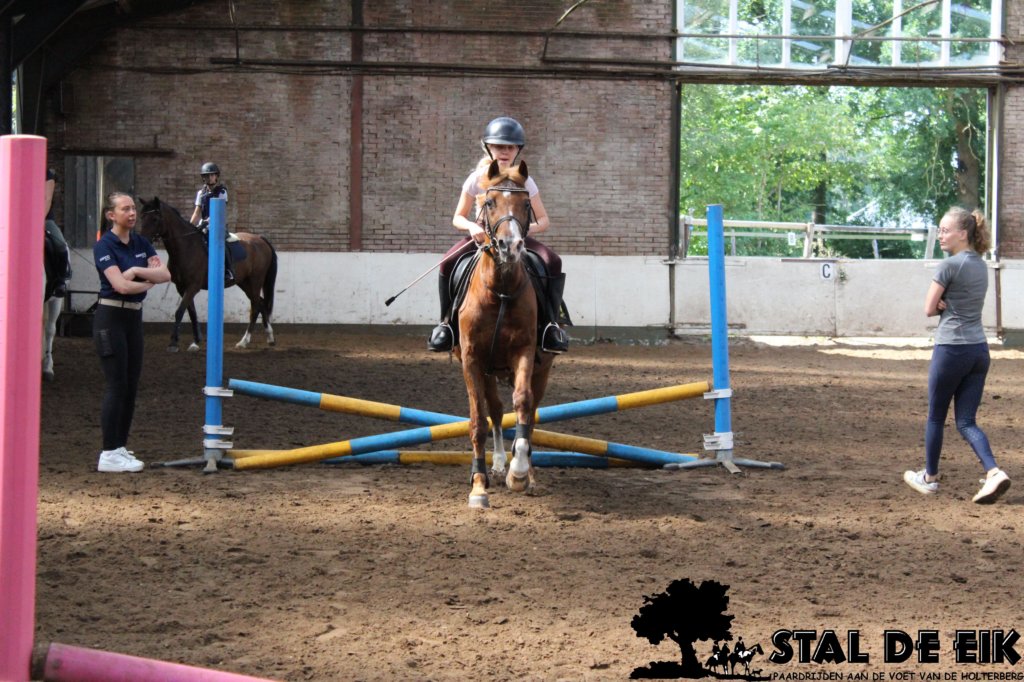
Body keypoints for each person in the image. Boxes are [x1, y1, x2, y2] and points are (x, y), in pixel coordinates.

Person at [427, 116, 570, 353]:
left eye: (510, 147)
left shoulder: (525, 180)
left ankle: (550, 326)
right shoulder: (476, 178)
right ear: (489, 148)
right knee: (447, 263)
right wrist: (472, 227)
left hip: (515, 237)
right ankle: (446, 324)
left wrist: (522, 230)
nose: (505, 152)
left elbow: (543, 220)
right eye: (499, 146)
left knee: (553, 261)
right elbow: (457, 217)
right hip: (482, 237)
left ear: (517, 150)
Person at [903, 206, 1010, 504]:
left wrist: (940, 303)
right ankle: (993, 472)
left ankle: (929, 478)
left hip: (951, 349)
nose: (940, 235)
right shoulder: (980, 265)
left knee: (936, 417)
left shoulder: (949, 265)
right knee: (966, 421)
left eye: (945, 230)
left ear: (963, 234)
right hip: (978, 351)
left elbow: (928, 308)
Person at [92, 192, 171, 472]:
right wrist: (148, 282)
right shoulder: (104, 246)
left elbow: (166, 274)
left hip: (133, 319)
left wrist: (137, 270)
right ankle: (108, 453)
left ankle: (119, 446)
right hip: (110, 318)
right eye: (125, 209)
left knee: (130, 386)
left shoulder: (141, 242)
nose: (132, 213)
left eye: (133, 208)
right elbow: (121, 286)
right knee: (116, 385)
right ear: (111, 215)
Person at [189, 161, 233, 282]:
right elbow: (196, 212)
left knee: (222, 244)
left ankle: (228, 270)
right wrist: (190, 226)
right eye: (206, 175)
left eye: (212, 175)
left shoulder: (222, 192)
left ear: (216, 176)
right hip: (203, 225)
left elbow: (219, 212)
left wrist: (207, 222)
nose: (209, 177)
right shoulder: (201, 193)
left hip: (217, 225)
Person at [44, 168, 71, 298]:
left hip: (44, 218)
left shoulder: (46, 173)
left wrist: (38, 220)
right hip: (15, 220)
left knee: (60, 245)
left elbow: (47, 199)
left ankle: (60, 281)